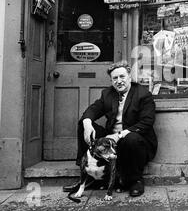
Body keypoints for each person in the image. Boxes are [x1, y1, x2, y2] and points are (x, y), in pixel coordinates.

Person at [63, 60, 157, 197]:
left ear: (130, 77)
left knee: (131, 138)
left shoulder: (143, 94)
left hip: (136, 141)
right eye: (115, 78)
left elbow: (147, 122)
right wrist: (87, 122)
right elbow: (93, 109)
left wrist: (119, 135)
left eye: (122, 77)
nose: (119, 81)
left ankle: (135, 180)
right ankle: (87, 174)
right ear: (112, 80)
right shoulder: (107, 93)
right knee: (83, 124)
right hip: (111, 140)